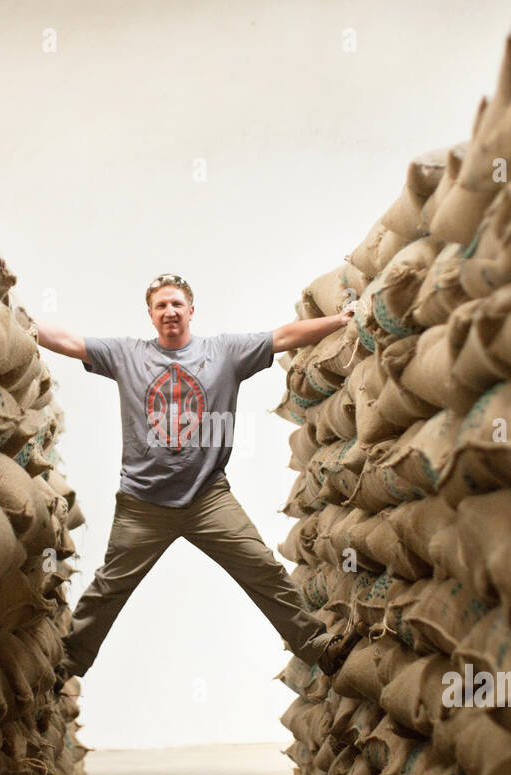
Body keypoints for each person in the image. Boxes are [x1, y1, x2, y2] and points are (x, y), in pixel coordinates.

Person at [33, 272, 355, 683]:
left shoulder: (224, 351)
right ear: (150, 315)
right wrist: (20, 318)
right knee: (107, 590)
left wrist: (341, 321)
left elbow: (284, 335)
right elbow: (70, 341)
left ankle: (318, 648)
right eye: (161, 305)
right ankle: (62, 670)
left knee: (263, 569)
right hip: (142, 504)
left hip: (208, 498)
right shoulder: (125, 354)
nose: (169, 311)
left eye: (176, 304)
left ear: (191, 309)